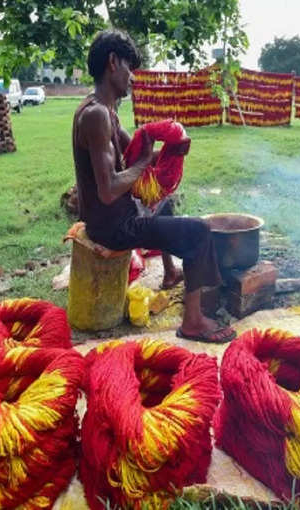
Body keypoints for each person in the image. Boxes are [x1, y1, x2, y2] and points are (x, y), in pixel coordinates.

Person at [72, 29, 235, 343]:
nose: (133, 77)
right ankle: (193, 321)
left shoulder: (106, 112)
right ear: (112, 63)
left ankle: (172, 272)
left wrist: (170, 150)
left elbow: (135, 155)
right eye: (129, 68)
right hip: (113, 226)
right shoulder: (95, 116)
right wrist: (146, 161)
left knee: (167, 204)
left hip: (119, 212)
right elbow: (108, 189)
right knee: (199, 231)